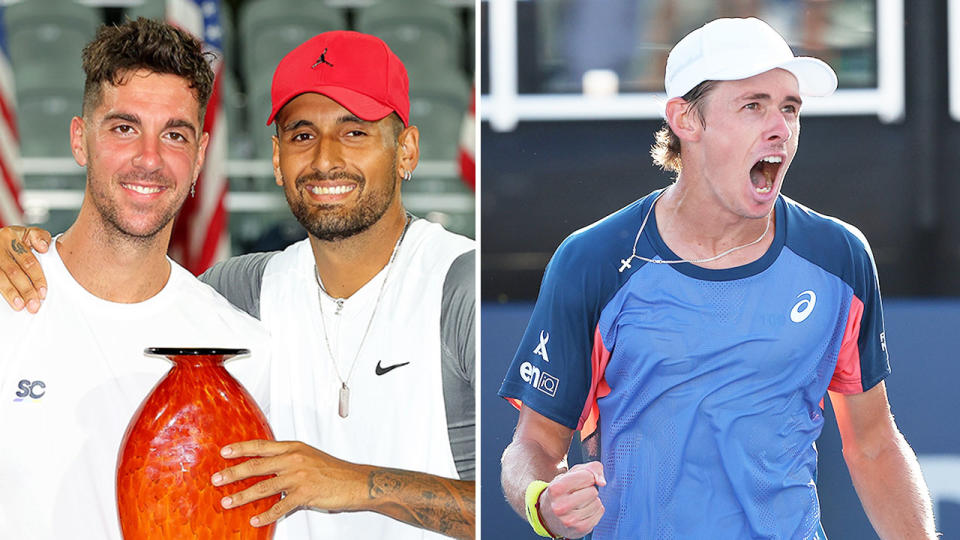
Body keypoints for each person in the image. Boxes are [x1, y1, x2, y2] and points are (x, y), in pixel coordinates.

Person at [0, 30, 476, 540]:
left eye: (355, 131)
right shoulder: (246, 294)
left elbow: (527, 490)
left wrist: (358, 483)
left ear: (407, 151)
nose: (324, 159)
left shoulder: (460, 284)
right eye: (301, 135)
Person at [498, 18, 937, 540]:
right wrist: (541, 502)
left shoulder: (839, 257)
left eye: (790, 108)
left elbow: (874, 444)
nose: (780, 127)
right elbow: (536, 446)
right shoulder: (593, 260)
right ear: (686, 118)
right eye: (753, 105)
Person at [0, 18, 270, 540]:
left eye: (174, 134)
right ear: (80, 139)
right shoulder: (6, 297)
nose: (149, 159)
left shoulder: (243, 351)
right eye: (124, 128)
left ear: (199, 157)